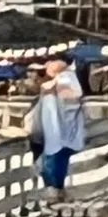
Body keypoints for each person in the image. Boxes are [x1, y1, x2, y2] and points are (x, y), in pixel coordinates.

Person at [28, 60, 87, 204]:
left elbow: (67, 97)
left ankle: (54, 192)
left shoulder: (60, 81)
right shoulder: (66, 81)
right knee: (58, 161)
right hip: (62, 132)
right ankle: (57, 191)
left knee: (52, 161)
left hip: (55, 133)